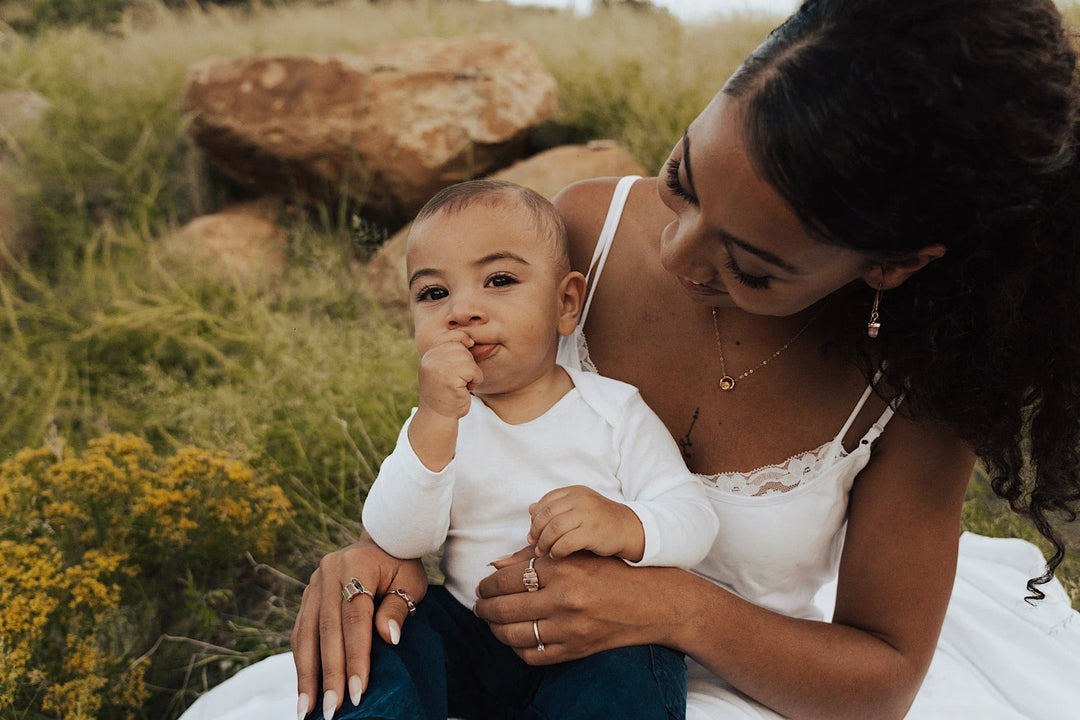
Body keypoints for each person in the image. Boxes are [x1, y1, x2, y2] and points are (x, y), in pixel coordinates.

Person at [179, 1, 1080, 719]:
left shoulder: (921, 396)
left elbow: (880, 685)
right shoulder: (579, 233)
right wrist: (383, 556)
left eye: (752, 268)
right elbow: (473, 436)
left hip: (739, 685)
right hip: (487, 637)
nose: (679, 254)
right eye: (682, 178)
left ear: (887, 264)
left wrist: (672, 608)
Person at [308, 179, 718, 720]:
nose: (462, 311)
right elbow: (399, 537)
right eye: (434, 294)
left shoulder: (613, 412)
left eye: (498, 280)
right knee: (392, 630)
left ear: (566, 303)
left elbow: (694, 519)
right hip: (472, 634)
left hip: (591, 639)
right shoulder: (441, 420)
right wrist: (433, 420)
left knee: (633, 667)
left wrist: (623, 523)